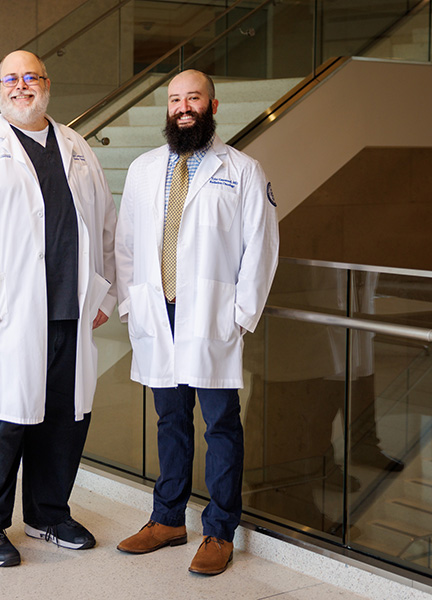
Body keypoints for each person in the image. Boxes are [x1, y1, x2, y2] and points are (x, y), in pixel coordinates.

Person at [0, 50, 116, 568]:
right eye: (10, 79)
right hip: (1, 315)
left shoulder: (77, 147)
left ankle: (47, 515)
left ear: (47, 84)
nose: (20, 86)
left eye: (30, 76)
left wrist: (105, 293)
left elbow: (106, 225)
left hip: (68, 313)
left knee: (63, 419)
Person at [114, 69, 279, 575]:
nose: (184, 106)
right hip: (158, 311)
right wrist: (129, 303)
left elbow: (262, 245)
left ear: (212, 105)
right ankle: (167, 520)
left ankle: (219, 530)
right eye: (175, 99)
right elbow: (125, 244)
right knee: (170, 420)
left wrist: (241, 316)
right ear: (168, 109)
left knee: (221, 424)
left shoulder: (243, 170)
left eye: (194, 98)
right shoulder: (142, 169)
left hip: (210, 316)